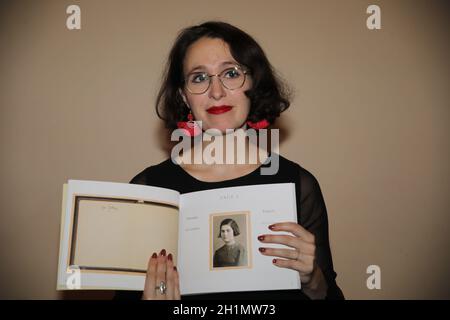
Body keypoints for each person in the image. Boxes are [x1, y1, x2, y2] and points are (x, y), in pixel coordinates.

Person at [115, 21, 344, 300]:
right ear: (183, 96)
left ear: (253, 83)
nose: (216, 91)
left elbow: (328, 295)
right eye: (199, 78)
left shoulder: (298, 183)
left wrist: (313, 279)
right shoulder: (150, 188)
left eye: (231, 73)